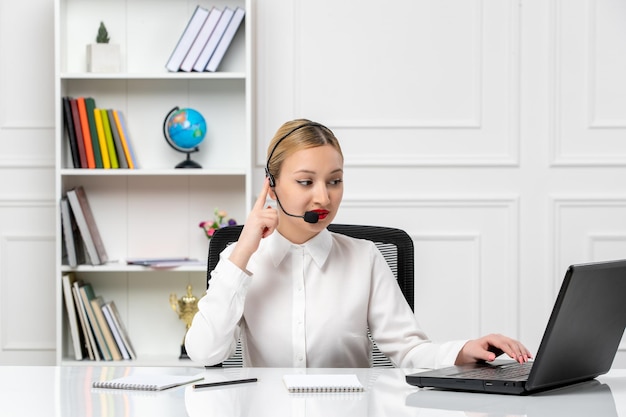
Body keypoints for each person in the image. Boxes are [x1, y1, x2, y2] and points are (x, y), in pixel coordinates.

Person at [185, 119, 532, 368]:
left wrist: (463, 350)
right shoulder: (240, 260)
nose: (324, 196)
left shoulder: (364, 258)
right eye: (306, 181)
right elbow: (204, 353)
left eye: (334, 181)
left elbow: (408, 352)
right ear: (271, 186)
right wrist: (244, 251)